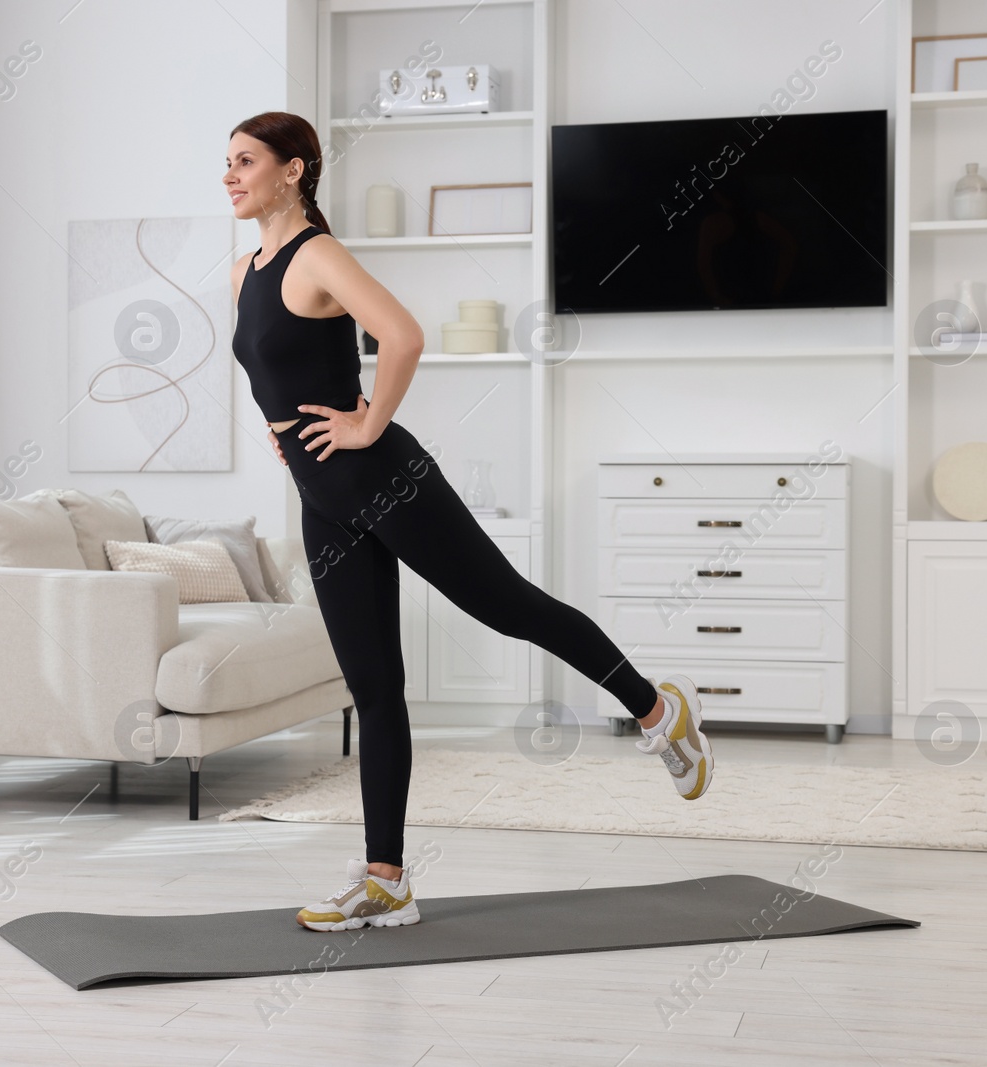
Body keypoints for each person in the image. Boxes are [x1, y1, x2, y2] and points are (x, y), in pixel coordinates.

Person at [224, 111, 714, 933]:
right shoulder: (245, 269)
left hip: (380, 476)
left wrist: (367, 424)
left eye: (245, 161)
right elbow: (278, 372)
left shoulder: (318, 253)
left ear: (295, 170)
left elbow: (403, 335)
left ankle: (656, 708)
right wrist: (287, 441)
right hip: (322, 496)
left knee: (510, 606)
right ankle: (385, 880)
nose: (231, 175)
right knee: (375, 687)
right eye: (227, 163)